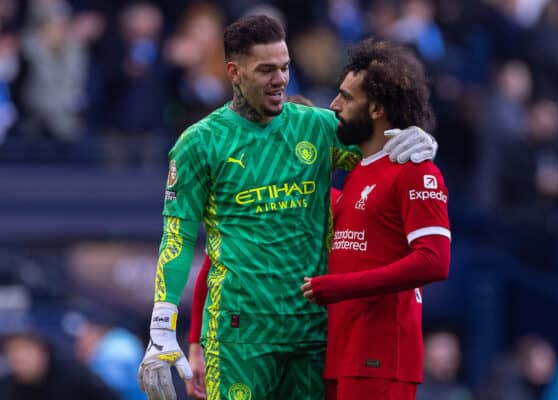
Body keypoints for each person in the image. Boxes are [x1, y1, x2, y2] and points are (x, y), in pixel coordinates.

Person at [137, 15, 438, 400]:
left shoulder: (318, 127)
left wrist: (419, 141)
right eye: (266, 70)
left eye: (285, 67)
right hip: (238, 334)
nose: (280, 79)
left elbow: (384, 157)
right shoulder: (199, 144)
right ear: (234, 71)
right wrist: (162, 327)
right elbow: (176, 237)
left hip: (311, 332)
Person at [300, 39, 451, 400]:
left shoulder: (416, 170)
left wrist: (338, 286)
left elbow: (435, 261)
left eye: (347, 98)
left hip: (382, 359)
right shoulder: (357, 175)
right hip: (342, 352)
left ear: (377, 108)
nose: (334, 106)